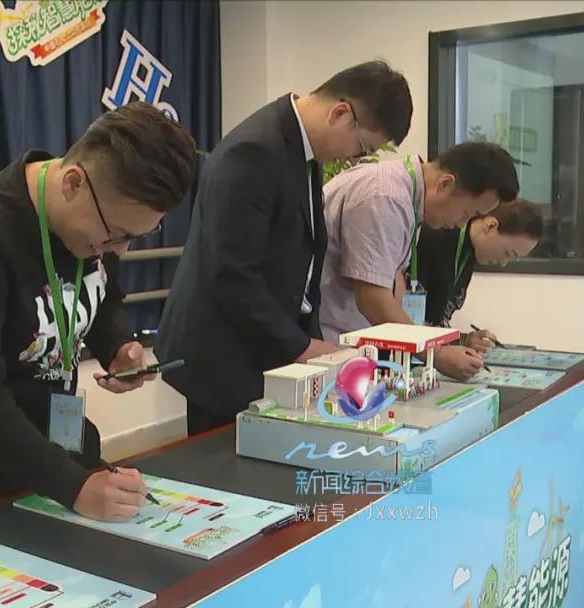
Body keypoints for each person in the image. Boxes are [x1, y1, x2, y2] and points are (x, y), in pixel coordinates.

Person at [0, 101, 196, 521]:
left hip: (58, 431)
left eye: (136, 236)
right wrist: (73, 485)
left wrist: (118, 346)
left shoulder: (97, 224)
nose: (119, 250)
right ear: (73, 183)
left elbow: (105, 295)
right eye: (116, 235)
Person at [156, 60, 413, 435]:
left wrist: (312, 344)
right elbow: (231, 275)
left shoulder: (301, 150)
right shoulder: (254, 152)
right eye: (362, 147)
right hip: (224, 353)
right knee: (228, 461)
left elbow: (303, 262)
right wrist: (300, 347)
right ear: (341, 113)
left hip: (266, 344)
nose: (354, 159)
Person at [318, 141, 519, 380]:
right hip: (323, 346)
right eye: (468, 213)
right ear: (445, 184)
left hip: (348, 344)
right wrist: (436, 354)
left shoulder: (409, 198)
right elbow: (373, 299)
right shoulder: (386, 196)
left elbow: (392, 282)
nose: (461, 224)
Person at [416, 198, 544, 349]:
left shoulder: (469, 252)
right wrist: (446, 352)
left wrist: (463, 340)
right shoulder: (438, 235)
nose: (503, 263)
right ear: (490, 226)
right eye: (507, 253)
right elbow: (412, 322)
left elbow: (434, 325)